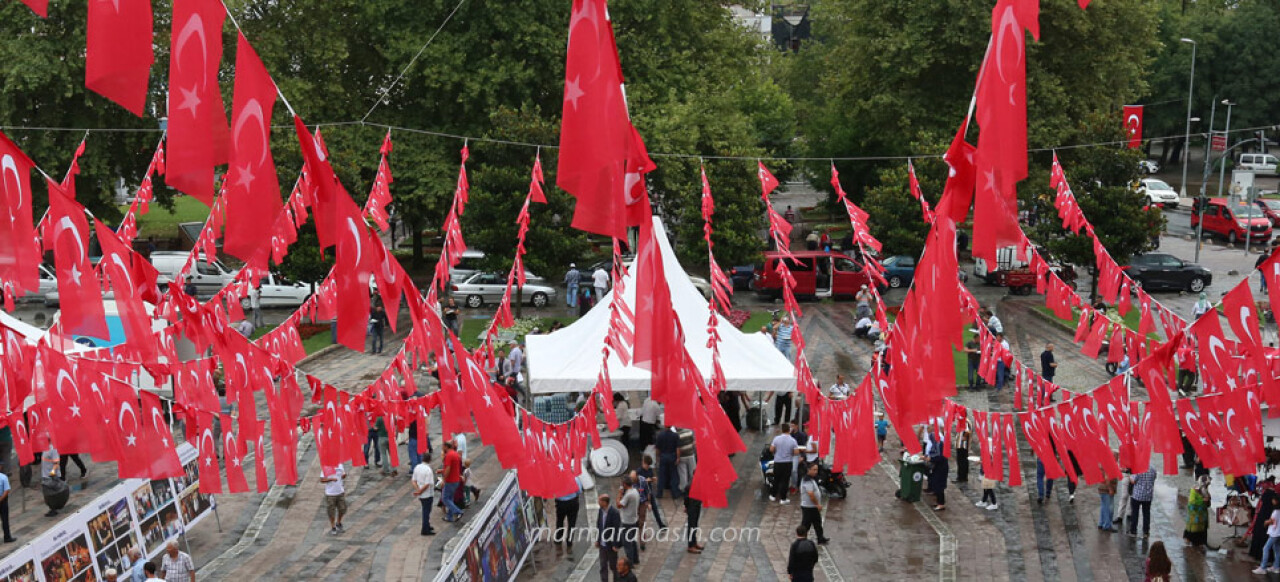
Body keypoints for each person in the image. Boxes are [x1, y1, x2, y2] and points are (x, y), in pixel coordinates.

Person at [798, 463, 830, 544]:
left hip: (812, 507)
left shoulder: (811, 479)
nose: (816, 472)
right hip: (809, 507)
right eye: (814, 470)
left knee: (817, 523)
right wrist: (817, 504)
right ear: (809, 470)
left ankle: (820, 538)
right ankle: (801, 540)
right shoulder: (807, 480)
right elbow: (811, 495)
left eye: (817, 470)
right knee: (806, 524)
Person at [770, 423, 799, 503]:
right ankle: (783, 498)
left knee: (776, 479)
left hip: (777, 462)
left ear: (782, 430)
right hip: (787, 463)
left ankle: (773, 495)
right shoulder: (792, 440)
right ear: (789, 430)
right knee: (785, 481)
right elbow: (796, 452)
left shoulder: (776, 439)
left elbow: (771, 449)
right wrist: (790, 453)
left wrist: (776, 452)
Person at [596, 494, 622, 582]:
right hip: (602, 545)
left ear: (604, 502)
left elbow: (617, 530)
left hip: (611, 545)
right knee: (603, 566)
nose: (598, 502)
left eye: (599, 501)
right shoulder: (600, 510)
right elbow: (599, 526)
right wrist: (598, 540)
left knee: (613, 566)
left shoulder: (614, 513)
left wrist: (615, 544)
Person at [554, 477, 581, 557]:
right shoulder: (575, 479)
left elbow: (553, 491)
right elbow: (579, 490)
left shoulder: (557, 479)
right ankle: (569, 543)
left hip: (561, 503)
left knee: (560, 521)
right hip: (573, 502)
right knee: (572, 523)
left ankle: (558, 538)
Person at [617, 475, 641, 565]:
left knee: (627, 544)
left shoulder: (628, 495)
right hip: (634, 520)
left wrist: (619, 494)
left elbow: (619, 505)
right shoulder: (635, 491)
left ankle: (630, 563)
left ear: (624, 484)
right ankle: (636, 559)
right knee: (633, 541)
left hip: (627, 522)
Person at [654, 426, 682, 499]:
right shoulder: (675, 436)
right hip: (672, 456)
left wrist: (657, 457)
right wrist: (678, 458)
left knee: (661, 475)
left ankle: (659, 493)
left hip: (663, 456)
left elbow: (657, 448)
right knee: (673, 475)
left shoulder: (660, 435)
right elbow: (677, 448)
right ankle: (675, 493)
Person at [1128, 467, 1157, 538]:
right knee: (1146, 514)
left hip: (1137, 495)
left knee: (1135, 513)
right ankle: (1146, 532)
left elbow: (1133, 481)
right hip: (1148, 495)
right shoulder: (1153, 469)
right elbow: (1154, 478)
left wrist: (1130, 476)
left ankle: (1133, 531)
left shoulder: (1138, 469)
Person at [412, 452, 437, 536]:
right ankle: (425, 529)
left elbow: (414, 481)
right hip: (428, 494)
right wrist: (420, 491)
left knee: (425, 510)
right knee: (426, 511)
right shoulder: (428, 470)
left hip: (421, 494)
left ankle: (427, 525)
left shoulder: (417, 467)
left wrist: (418, 490)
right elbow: (427, 484)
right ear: (429, 460)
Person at [1184, 475, 1211, 546]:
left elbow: (1208, 503)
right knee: (1194, 529)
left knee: (1201, 529)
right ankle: (1193, 541)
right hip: (1195, 514)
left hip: (1202, 515)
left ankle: (1200, 541)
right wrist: (1202, 500)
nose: (1208, 485)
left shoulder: (1204, 490)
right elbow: (1192, 502)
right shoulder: (1194, 490)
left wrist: (1208, 499)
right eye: (1207, 484)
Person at [320, 464, 348, 535]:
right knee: (331, 511)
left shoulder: (340, 465)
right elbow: (322, 479)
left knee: (343, 508)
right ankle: (333, 526)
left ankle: (338, 522)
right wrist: (331, 479)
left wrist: (344, 476)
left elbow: (343, 475)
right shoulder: (326, 466)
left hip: (340, 491)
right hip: (330, 493)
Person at [441, 441, 464, 523]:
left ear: (446, 447)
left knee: (445, 498)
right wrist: (441, 470)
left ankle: (458, 511)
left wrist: (444, 479)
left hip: (450, 481)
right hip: (456, 480)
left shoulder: (449, 455)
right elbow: (454, 468)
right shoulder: (455, 454)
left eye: (442, 446)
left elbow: (448, 468)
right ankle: (449, 516)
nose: (442, 448)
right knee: (450, 498)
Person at [1256, 503, 1280, 574]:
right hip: (1278, 533)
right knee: (1277, 549)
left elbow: (1272, 521)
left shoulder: (1276, 511)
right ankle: (1276, 567)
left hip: (1274, 533)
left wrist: (1265, 522)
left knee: (1265, 548)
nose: (1272, 501)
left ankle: (1263, 567)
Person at [928, 436, 949, 511]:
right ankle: (939, 502)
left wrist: (931, 458)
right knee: (936, 485)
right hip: (937, 469)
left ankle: (941, 504)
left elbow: (940, 458)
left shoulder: (940, 446)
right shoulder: (938, 445)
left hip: (941, 469)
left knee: (939, 487)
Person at [0, 468, 12, 543]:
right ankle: (7, 537)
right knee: (5, 520)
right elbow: (6, 491)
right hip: (3, 501)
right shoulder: (3, 477)